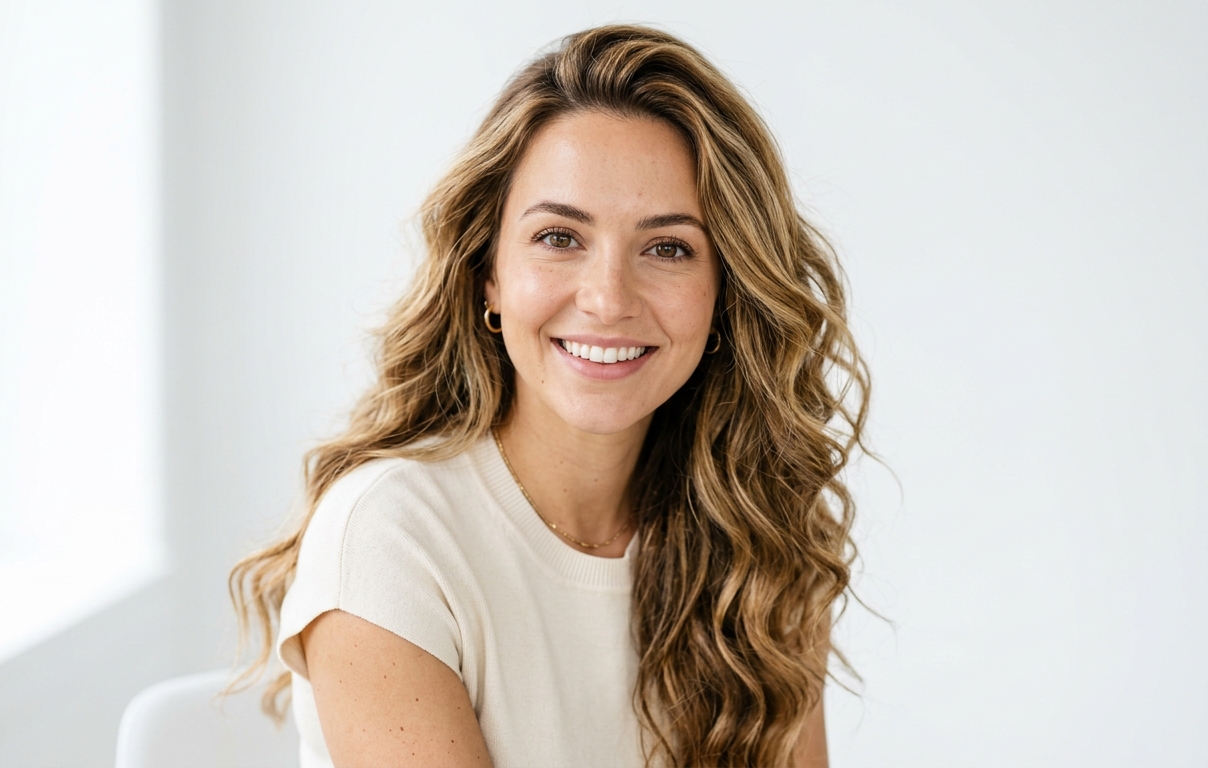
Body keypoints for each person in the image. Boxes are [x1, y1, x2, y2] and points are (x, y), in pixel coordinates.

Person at [230, 23, 869, 768]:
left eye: (667, 248)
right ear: (489, 274)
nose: (606, 299)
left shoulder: (756, 531)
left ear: (725, 293)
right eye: (560, 237)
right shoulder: (389, 538)